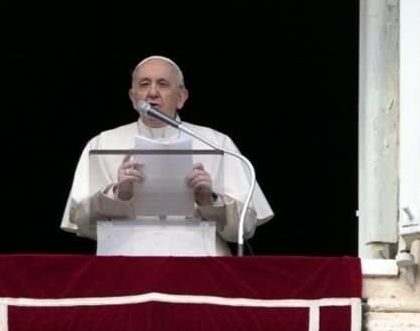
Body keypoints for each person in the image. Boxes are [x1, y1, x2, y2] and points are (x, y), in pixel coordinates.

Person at [60, 55, 273, 254]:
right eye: (144, 84)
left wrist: (209, 200)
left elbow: (245, 228)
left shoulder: (217, 143)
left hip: (201, 267)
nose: (152, 92)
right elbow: (82, 225)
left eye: (162, 84)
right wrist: (118, 194)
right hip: (125, 265)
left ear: (181, 97)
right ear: (133, 98)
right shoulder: (102, 143)